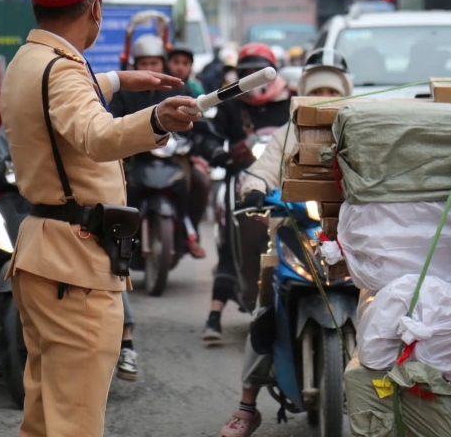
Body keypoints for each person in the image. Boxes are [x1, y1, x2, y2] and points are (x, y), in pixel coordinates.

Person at [0, 0, 200, 437]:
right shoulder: (64, 70)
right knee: (77, 424)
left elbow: (58, 102)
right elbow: (92, 133)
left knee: (45, 417)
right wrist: (156, 120)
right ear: (94, 9)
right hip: (75, 265)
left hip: (43, 254)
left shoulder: (30, 60)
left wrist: (114, 80)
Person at [218, 52, 353, 437]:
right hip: (295, 231)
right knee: (265, 312)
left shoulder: (361, 128)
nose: (324, 97)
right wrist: (253, 190)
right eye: (317, 90)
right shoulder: (288, 133)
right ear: (303, 94)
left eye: (332, 90)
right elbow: (260, 171)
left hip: (351, 235)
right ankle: (247, 405)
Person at [0, 126, 145, 384]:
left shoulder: (79, 115)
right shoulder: (17, 119)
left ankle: (125, 340)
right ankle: (4, 343)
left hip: (76, 208)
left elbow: (105, 153)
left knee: (106, 259)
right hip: (25, 205)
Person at [202, 43, 291, 343]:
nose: (254, 77)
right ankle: (214, 314)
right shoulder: (228, 103)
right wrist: (220, 152)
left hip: (286, 181)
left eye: (259, 71)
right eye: (247, 72)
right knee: (232, 234)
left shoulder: (290, 101)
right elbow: (209, 135)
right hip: (240, 180)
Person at [110, 34, 207, 259]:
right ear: (135, 65)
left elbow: (195, 120)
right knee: (111, 184)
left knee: (200, 181)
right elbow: (112, 121)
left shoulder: (178, 88)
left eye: (154, 63)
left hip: (172, 156)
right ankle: (116, 236)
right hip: (134, 157)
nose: (149, 68)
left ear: (163, 64)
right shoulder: (123, 91)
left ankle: (190, 233)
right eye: (144, 64)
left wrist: (197, 142)